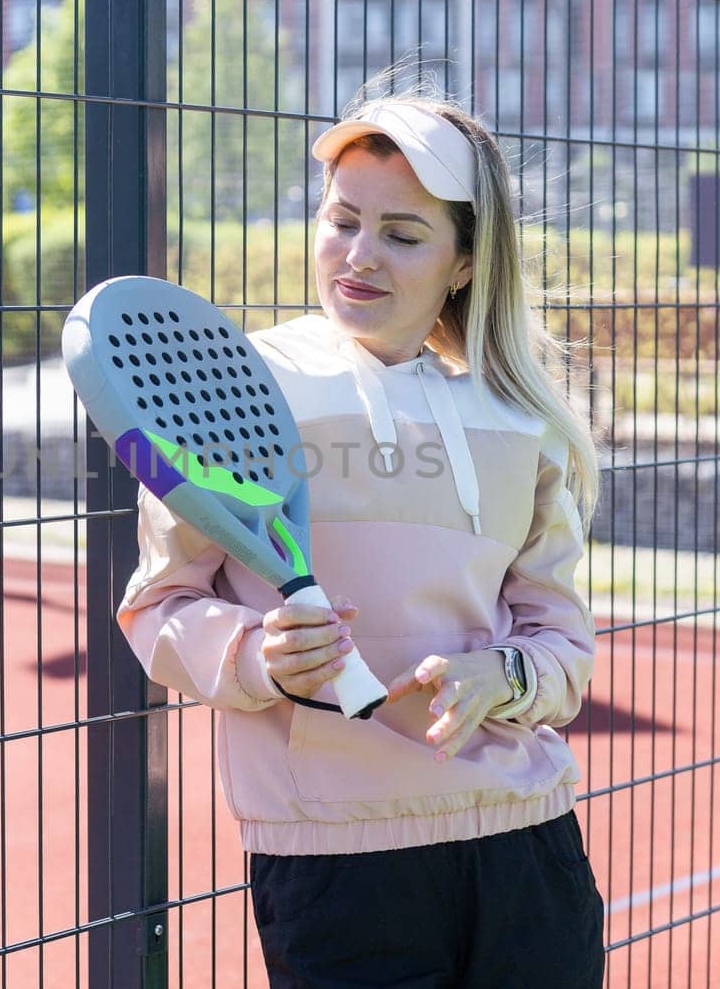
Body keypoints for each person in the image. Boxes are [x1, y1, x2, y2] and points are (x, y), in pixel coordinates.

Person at [115, 77, 605, 987]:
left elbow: (563, 646)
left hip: (526, 844)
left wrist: (503, 674)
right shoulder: (236, 383)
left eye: (404, 234)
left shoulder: (519, 418)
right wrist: (259, 658)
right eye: (341, 220)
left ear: (464, 261)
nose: (359, 255)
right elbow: (160, 606)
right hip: (337, 859)